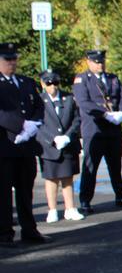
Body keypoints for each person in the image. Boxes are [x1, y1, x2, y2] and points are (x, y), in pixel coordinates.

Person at [73, 49, 122, 213]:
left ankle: (120, 196)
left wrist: (121, 112)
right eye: (97, 62)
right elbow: (83, 102)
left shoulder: (112, 78)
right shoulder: (82, 79)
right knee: (90, 167)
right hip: (95, 130)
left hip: (113, 130)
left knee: (115, 166)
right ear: (89, 62)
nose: (100, 64)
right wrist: (104, 114)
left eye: (102, 61)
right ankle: (85, 200)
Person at [0, 42, 47, 244]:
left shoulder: (26, 82)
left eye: (14, 59)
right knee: (3, 193)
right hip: (6, 146)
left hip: (26, 146)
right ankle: (4, 233)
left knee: (25, 190)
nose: (12, 63)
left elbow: (38, 105)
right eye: (7, 59)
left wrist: (32, 126)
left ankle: (30, 230)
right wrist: (20, 125)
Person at [36, 70, 84, 222]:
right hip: (49, 146)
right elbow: (38, 123)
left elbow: (77, 120)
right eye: (49, 83)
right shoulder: (39, 100)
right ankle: (52, 210)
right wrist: (52, 139)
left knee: (67, 177)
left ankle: (70, 208)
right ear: (43, 84)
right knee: (51, 179)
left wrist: (67, 136)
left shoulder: (68, 98)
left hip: (67, 144)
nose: (53, 87)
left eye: (55, 83)